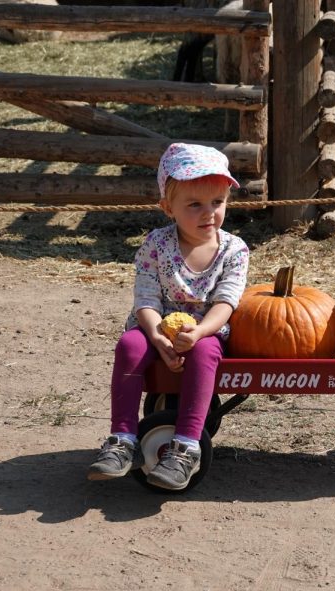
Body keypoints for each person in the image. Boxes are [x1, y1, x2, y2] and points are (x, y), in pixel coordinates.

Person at [88, 143, 249, 490]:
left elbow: (226, 302)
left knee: (206, 353)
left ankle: (187, 447)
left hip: (205, 331)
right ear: (167, 207)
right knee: (130, 345)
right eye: (195, 204)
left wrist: (200, 332)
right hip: (154, 326)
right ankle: (123, 440)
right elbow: (145, 299)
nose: (209, 213)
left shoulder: (234, 250)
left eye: (217, 203)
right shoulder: (155, 245)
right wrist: (157, 336)